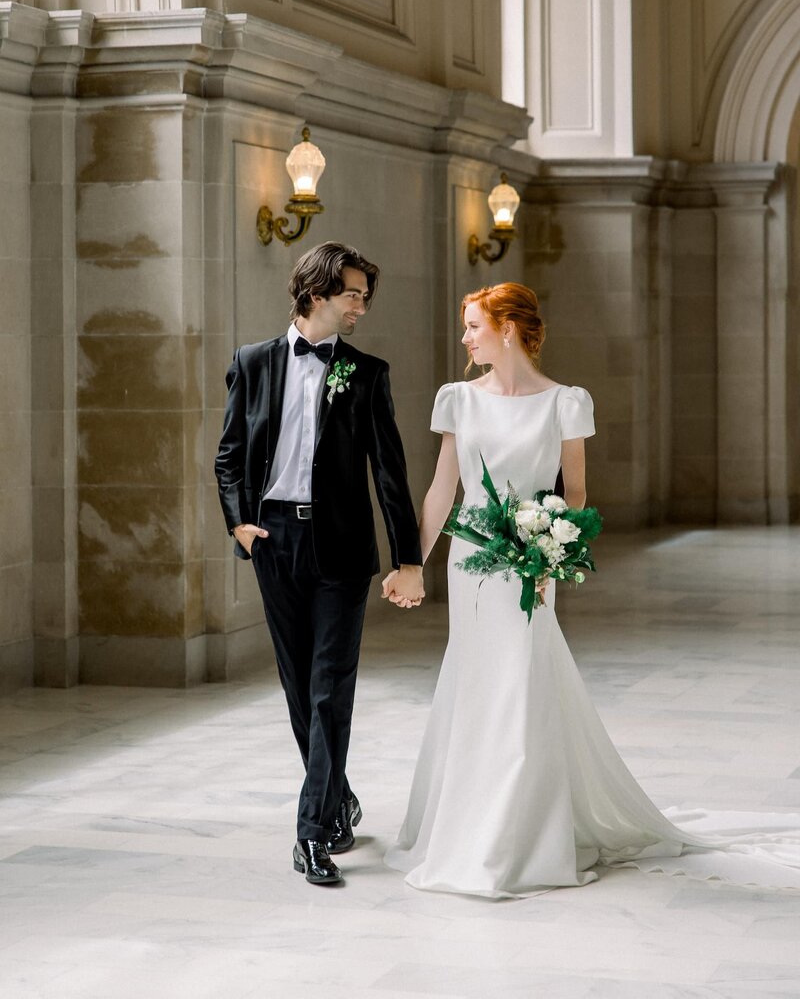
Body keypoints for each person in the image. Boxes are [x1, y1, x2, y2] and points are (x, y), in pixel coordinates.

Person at [383, 282, 800, 897]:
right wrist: (413, 565)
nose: (464, 337)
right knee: (477, 679)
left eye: (474, 326)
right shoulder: (458, 400)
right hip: (473, 563)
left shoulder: (566, 403)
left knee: (521, 682)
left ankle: (514, 837)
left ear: (508, 329)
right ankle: (468, 827)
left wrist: (552, 551)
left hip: (530, 562)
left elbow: (573, 493)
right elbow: (443, 491)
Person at [215, 242, 424, 886]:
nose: (361, 306)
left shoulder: (366, 373)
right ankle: (338, 797)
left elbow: (390, 472)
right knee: (299, 688)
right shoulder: (252, 362)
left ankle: (312, 833)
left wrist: (408, 558)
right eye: (353, 294)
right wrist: (240, 524)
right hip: (272, 541)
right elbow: (229, 454)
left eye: (365, 296)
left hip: (342, 548)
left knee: (330, 686)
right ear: (315, 294)